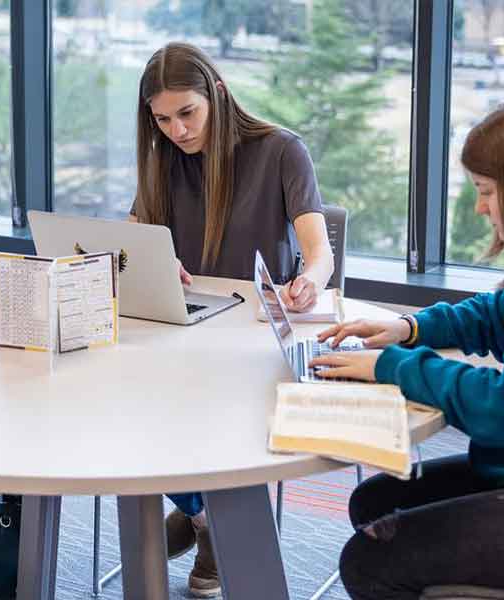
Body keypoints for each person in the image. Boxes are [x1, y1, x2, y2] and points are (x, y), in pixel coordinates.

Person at [310, 95, 504, 599]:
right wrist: (408, 328)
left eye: (487, 191)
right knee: (373, 504)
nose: (480, 208)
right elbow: (493, 316)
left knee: (368, 563)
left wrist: (393, 367)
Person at [130, 42, 335, 597]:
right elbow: (130, 241)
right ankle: (205, 517)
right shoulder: (163, 158)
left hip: (253, 337)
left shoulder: (281, 150)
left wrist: (311, 280)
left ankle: (203, 511)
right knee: (124, 401)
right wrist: (151, 259)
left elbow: (319, 251)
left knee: (193, 401)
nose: (177, 131)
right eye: (162, 120)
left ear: (217, 93)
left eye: (187, 113)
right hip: (184, 329)